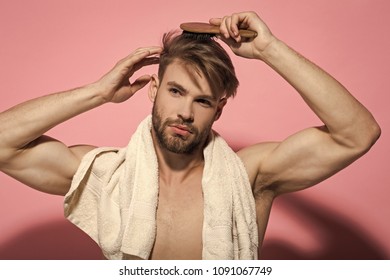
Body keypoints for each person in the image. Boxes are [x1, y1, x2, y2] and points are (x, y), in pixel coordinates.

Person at [0, 11, 380, 260]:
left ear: (218, 109)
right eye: (176, 91)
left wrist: (270, 50)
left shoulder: (250, 176)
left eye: (202, 100)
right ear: (154, 88)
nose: (184, 112)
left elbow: (357, 134)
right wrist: (98, 92)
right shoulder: (107, 176)